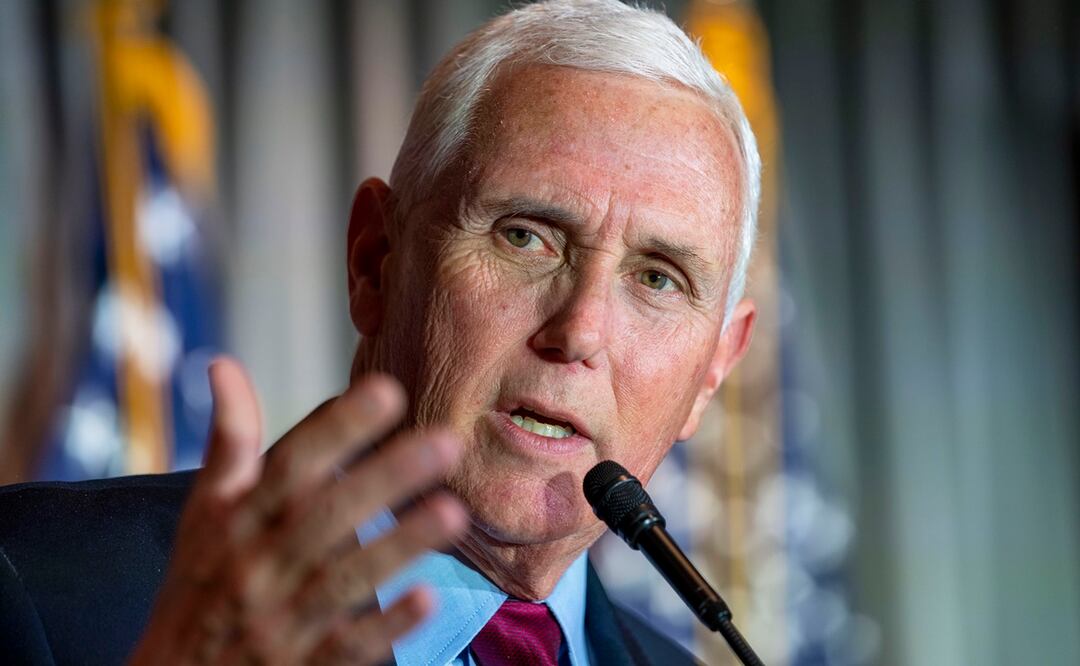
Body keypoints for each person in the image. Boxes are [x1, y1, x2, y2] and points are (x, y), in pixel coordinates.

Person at [0, 0, 760, 663]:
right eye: (525, 236)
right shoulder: (40, 585)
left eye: (658, 278)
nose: (579, 331)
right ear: (375, 260)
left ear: (714, 370)